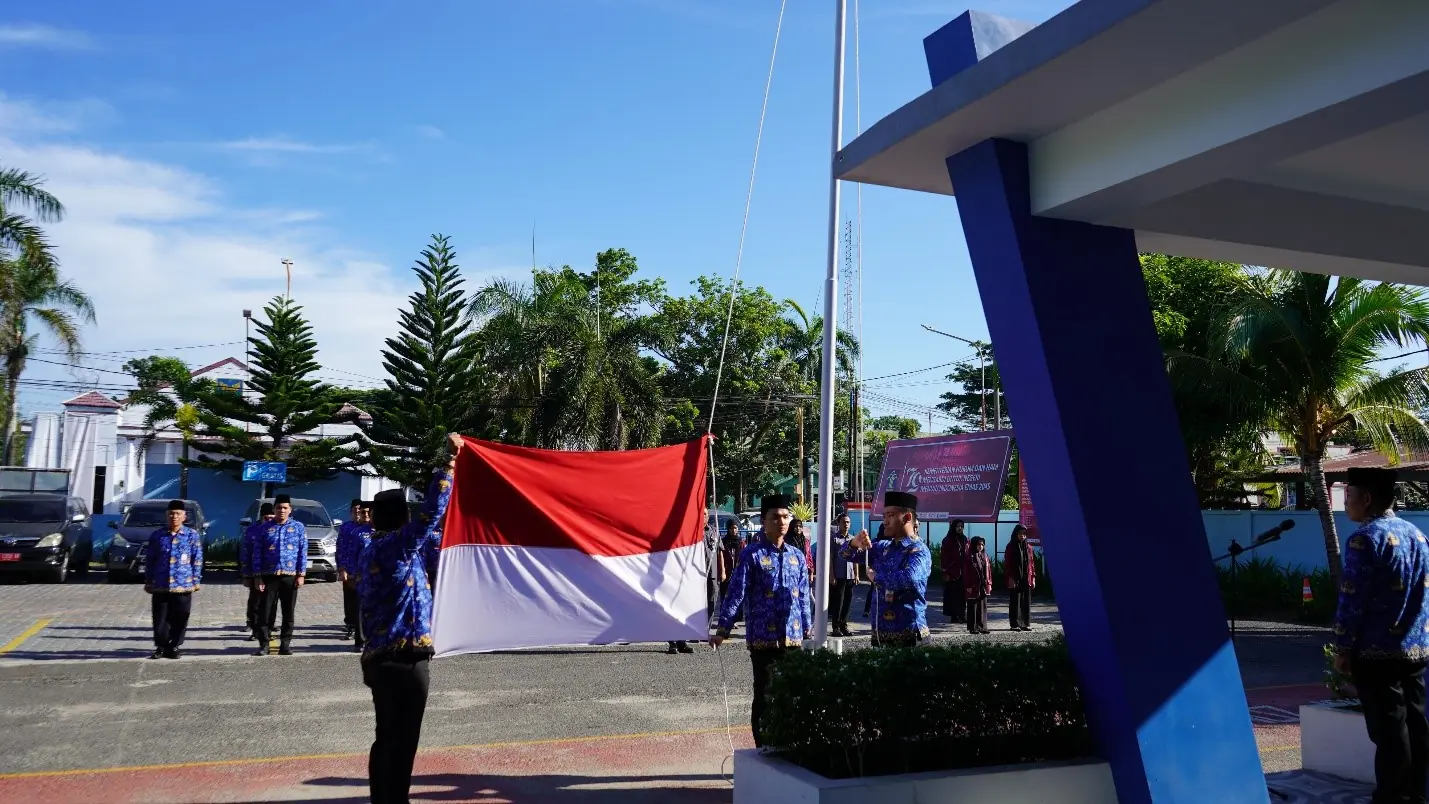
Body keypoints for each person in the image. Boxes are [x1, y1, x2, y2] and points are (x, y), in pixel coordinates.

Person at [358, 432, 459, 804]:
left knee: (386, 735)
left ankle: (382, 798)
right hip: (404, 659)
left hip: (378, 658)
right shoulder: (398, 548)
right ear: (400, 520)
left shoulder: (371, 551)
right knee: (403, 740)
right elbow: (432, 514)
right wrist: (448, 464)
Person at [1333, 467, 1429, 804]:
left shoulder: (1364, 538)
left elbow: (1352, 598)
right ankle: (1417, 793)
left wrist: (1343, 646)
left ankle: (1391, 796)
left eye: (1348, 496)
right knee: (1417, 726)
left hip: (1377, 653)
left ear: (1367, 498)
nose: (1345, 504)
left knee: (1388, 732)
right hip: (1416, 649)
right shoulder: (1417, 536)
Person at [711, 494, 812, 748]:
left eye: (785, 517)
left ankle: (788, 743)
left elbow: (802, 597)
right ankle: (763, 746)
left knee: (791, 694)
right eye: (775, 517)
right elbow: (736, 592)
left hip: (793, 637)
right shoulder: (751, 555)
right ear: (764, 522)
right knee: (765, 695)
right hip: (763, 639)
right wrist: (723, 628)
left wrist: (808, 628)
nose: (781, 522)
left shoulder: (797, 556)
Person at [845, 491, 931, 647]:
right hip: (881, 633)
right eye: (884, 516)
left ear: (907, 518)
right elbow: (846, 555)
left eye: (890, 515)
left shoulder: (919, 550)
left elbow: (909, 578)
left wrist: (877, 578)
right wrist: (853, 543)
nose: (885, 521)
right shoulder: (883, 547)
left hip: (909, 634)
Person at [144, 500, 203, 660]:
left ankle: (174, 645)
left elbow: (196, 559)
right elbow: (150, 559)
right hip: (161, 584)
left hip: (183, 584)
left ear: (184, 516)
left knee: (181, 616)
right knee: (160, 619)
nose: (174, 517)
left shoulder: (191, 536)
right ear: (166, 515)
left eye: (178, 514)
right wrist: (148, 580)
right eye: (171, 513)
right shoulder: (157, 536)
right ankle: (161, 646)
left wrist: (196, 580)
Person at [250, 493, 307, 656]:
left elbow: (303, 552)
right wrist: (257, 576)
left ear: (290, 510)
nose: (281, 510)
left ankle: (285, 644)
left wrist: (301, 574)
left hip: (290, 576)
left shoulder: (298, 527)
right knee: (265, 612)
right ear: (274, 509)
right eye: (278, 507)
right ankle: (264, 644)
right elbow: (257, 553)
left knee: (288, 612)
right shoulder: (264, 528)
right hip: (269, 576)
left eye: (285, 508)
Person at [337, 498, 374, 651]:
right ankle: (359, 639)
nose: (364, 514)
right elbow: (347, 553)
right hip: (359, 576)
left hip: (376, 577)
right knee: (357, 607)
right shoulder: (355, 532)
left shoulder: (378, 531)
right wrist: (345, 570)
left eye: (367, 512)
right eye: (362, 512)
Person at [240, 502, 276, 640]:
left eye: (271, 517)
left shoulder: (276, 529)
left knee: (270, 603)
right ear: (261, 516)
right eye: (266, 517)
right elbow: (246, 552)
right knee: (255, 602)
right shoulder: (252, 530)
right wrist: (246, 574)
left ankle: (268, 630)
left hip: (272, 572)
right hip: (255, 572)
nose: (269, 520)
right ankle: (254, 629)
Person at [828, 511, 858, 637]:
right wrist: (831, 575)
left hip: (850, 575)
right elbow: (830, 558)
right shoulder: (834, 539)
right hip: (839, 575)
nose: (846, 524)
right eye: (844, 522)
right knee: (838, 603)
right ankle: (835, 627)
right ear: (839, 523)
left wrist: (856, 574)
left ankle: (843, 625)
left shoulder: (852, 539)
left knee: (847, 603)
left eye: (848, 522)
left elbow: (856, 557)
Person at [1004, 524, 1036, 632]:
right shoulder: (1011, 546)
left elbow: (1032, 564)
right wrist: (1010, 578)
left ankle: (1025, 624)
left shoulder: (1029, 547)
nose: (1022, 536)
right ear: (1016, 534)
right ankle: (1014, 624)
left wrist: (1033, 578)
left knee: (1026, 601)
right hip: (1015, 577)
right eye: (1020, 534)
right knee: (1015, 601)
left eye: (1024, 534)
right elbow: (1008, 564)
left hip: (1026, 578)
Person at [717, 519, 745, 624]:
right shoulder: (724, 542)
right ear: (728, 529)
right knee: (725, 597)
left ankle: (735, 619)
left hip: (738, 573)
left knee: (737, 597)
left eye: (735, 528)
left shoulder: (741, 542)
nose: (734, 530)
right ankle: (724, 619)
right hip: (727, 573)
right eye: (731, 528)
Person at [941, 520, 968, 624]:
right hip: (952, 572)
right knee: (953, 595)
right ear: (953, 527)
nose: (960, 528)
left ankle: (962, 615)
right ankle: (954, 616)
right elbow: (944, 557)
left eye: (961, 526)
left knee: (962, 595)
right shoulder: (948, 540)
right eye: (957, 526)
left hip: (963, 572)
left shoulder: (965, 539)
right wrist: (946, 572)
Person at [963, 536, 991, 634]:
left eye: (982, 544)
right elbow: (966, 573)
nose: (980, 546)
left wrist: (989, 583)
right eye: (978, 544)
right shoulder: (969, 557)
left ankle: (982, 626)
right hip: (973, 585)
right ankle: (973, 627)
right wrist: (968, 586)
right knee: (973, 606)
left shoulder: (984, 556)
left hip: (983, 585)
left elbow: (988, 571)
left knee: (982, 606)